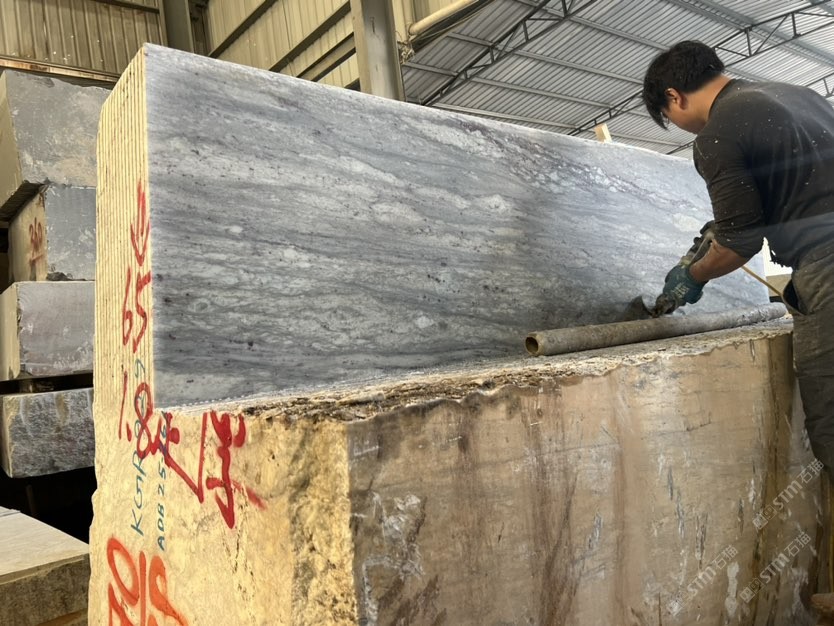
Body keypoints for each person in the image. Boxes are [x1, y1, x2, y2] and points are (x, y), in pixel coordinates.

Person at [643, 40, 834, 477]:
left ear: (674, 96)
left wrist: (694, 276)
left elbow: (737, 243)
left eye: (669, 117)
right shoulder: (800, 96)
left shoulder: (718, 134)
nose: (679, 127)